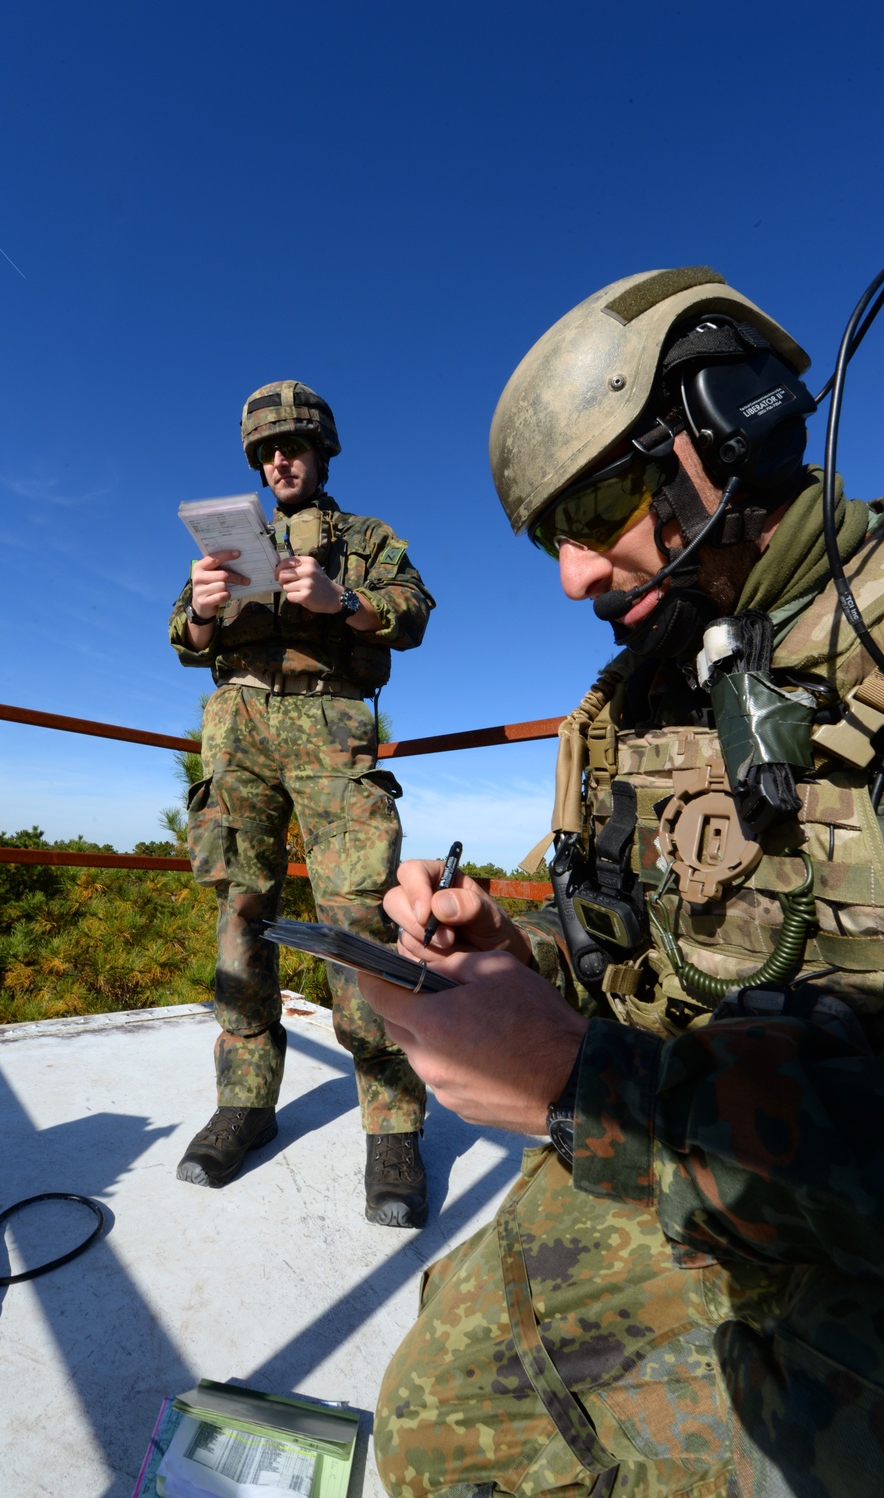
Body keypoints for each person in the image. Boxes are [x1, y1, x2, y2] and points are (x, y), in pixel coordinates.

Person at [360, 269, 884, 1492]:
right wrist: (517, 956)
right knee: (431, 1422)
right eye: (553, 536)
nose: (573, 576)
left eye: (598, 506)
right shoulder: (629, 703)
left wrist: (583, 1085)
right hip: (675, 1154)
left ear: (734, 423)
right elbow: (648, 966)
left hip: (811, 1220)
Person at [169, 380, 435, 1228]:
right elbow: (182, 636)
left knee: (355, 916)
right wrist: (204, 614)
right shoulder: (224, 543)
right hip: (238, 723)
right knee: (241, 910)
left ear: (322, 454)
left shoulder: (364, 538)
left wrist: (342, 601)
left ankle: (392, 1125)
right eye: (267, 451)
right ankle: (244, 1103)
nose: (281, 460)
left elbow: (415, 611)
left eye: (294, 446)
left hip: (330, 720)